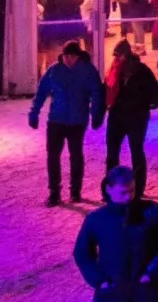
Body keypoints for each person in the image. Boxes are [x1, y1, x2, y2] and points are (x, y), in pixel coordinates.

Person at [73, 166, 158, 302]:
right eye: (123, 193)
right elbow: (82, 253)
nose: (128, 197)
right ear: (109, 189)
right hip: (112, 293)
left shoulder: (152, 211)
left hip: (145, 291)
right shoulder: (97, 219)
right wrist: (100, 280)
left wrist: (151, 272)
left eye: (132, 191)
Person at [30, 39, 104, 205]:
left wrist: (96, 114)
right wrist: (34, 113)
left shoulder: (88, 71)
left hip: (77, 121)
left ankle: (75, 191)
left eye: (72, 56)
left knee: (76, 155)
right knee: (53, 155)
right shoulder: (54, 71)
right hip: (56, 120)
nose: (69, 60)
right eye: (66, 56)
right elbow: (41, 93)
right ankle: (54, 192)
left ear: (78, 56)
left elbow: (97, 94)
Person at [103, 39, 158, 198]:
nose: (116, 58)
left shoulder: (140, 71)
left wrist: (145, 105)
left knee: (135, 152)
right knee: (113, 154)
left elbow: (154, 94)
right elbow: (107, 92)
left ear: (126, 54)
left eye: (119, 55)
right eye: (115, 55)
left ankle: (137, 189)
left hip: (134, 118)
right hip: (118, 117)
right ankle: (111, 188)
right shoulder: (114, 70)